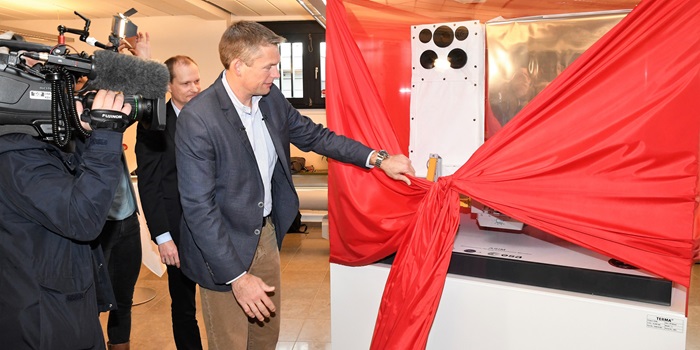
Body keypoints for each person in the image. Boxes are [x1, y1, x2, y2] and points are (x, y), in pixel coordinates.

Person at [175, 20, 416, 349]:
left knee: (265, 335)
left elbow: (316, 136)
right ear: (238, 66)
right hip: (222, 246)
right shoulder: (199, 118)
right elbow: (199, 208)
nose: (276, 74)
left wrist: (377, 158)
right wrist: (237, 277)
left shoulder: (270, 98)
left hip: (265, 235)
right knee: (231, 342)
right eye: (269, 66)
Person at [0, 90, 132, 349]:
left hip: (55, 303)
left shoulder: (31, 146)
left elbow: (79, 184)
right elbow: (82, 217)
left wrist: (85, 133)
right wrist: (106, 135)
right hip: (44, 319)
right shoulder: (18, 158)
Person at [135, 55, 203, 349]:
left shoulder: (210, 113)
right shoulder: (154, 125)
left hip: (215, 225)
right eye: (186, 83)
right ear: (168, 86)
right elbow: (150, 184)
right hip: (177, 229)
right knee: (185, 304)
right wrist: (163, 237)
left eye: (197, 81)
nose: (195, 88)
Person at [96, 32, 153, 350]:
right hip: (95, 226)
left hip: (126, 219)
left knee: (122, 302)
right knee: (89, 304)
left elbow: (143, 102)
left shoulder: (112, 112)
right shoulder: (72, 116)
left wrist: (141, 57)